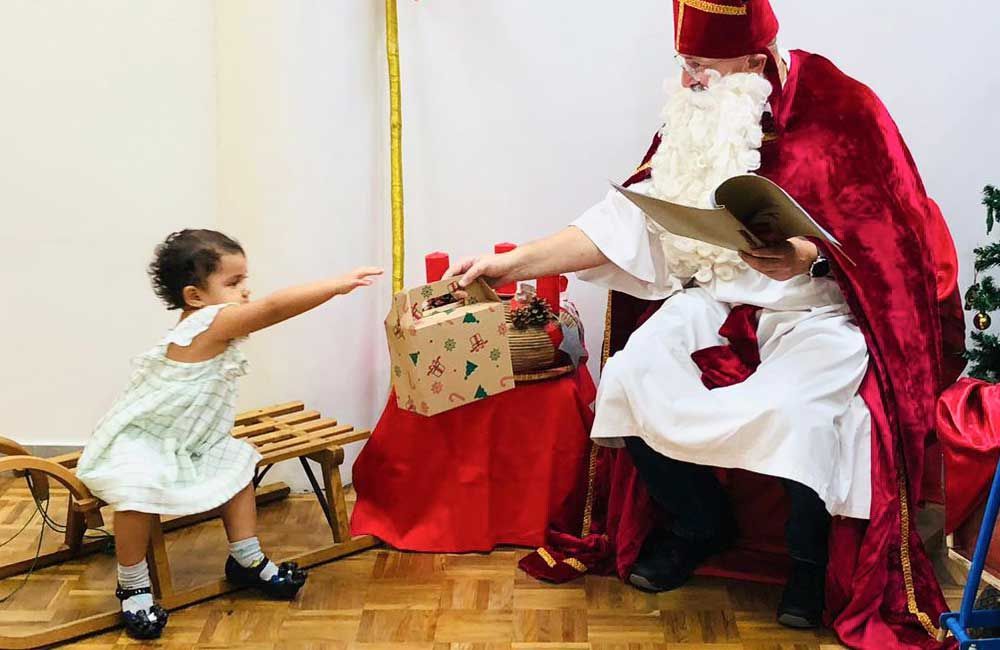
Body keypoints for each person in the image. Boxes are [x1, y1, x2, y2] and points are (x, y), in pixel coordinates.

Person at [448, 1, 965, 645]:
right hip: (718, 301)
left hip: (819, 311)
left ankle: (810, 562)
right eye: (684, 64)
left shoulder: (844, 107)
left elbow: (897, 239)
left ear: (753, 61)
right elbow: (621, 225)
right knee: (631, 377)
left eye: (702, 67)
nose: (689, 81)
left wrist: (812, 258)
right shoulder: (697, 118)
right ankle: (698, 522)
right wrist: (512, 261)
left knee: (799, 409)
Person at [76, 229, 382, 639]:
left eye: (245, 281)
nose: (245, 292)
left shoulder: (208, 321)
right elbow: (273, 308)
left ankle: (246, 558)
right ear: (194, 296)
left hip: (193, 440)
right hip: (146, 438)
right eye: (233, 283)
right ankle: (132, 583)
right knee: (138, 491)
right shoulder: (211, 321)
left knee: (239, 464)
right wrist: (335, 285)